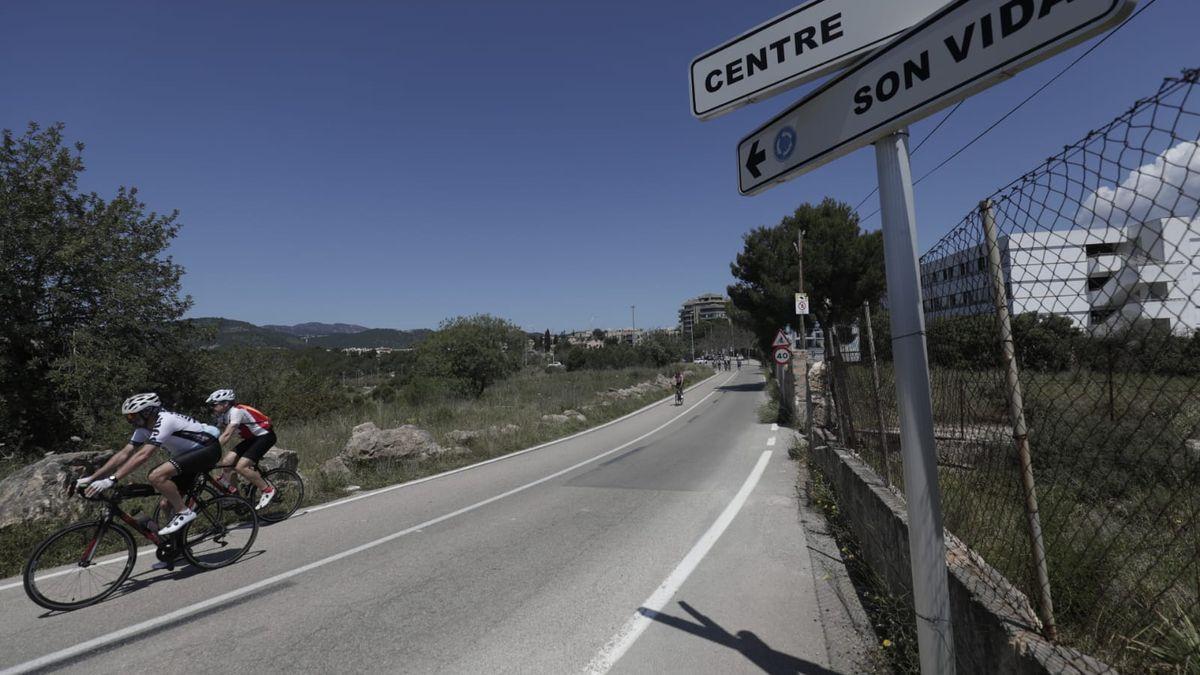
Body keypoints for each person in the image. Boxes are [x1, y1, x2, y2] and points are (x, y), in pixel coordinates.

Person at [76, 393, 221, 536]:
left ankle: (184, 512)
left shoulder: (166, 420)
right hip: (188, 456)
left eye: (132, 416)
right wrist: (91, 478)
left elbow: (143, 454)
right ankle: (177, 544)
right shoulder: (144, 428)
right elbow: (124, 453)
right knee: (166, 504)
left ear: (148, 412)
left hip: (207, 450)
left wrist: (112, 479)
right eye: (128, 417)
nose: (130, 420)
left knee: (156, 476)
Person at [205, 389, 277, 510]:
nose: (212, 407)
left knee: (241, 467)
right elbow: (214, 432)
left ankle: (268, 490)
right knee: (227, 463)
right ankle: (236, 498)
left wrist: (209, 451)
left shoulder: (236, 411)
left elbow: (227, 435)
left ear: (225, 404)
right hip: (252, 439)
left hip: (265, 436)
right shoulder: (222, 415)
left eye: (214, 404)